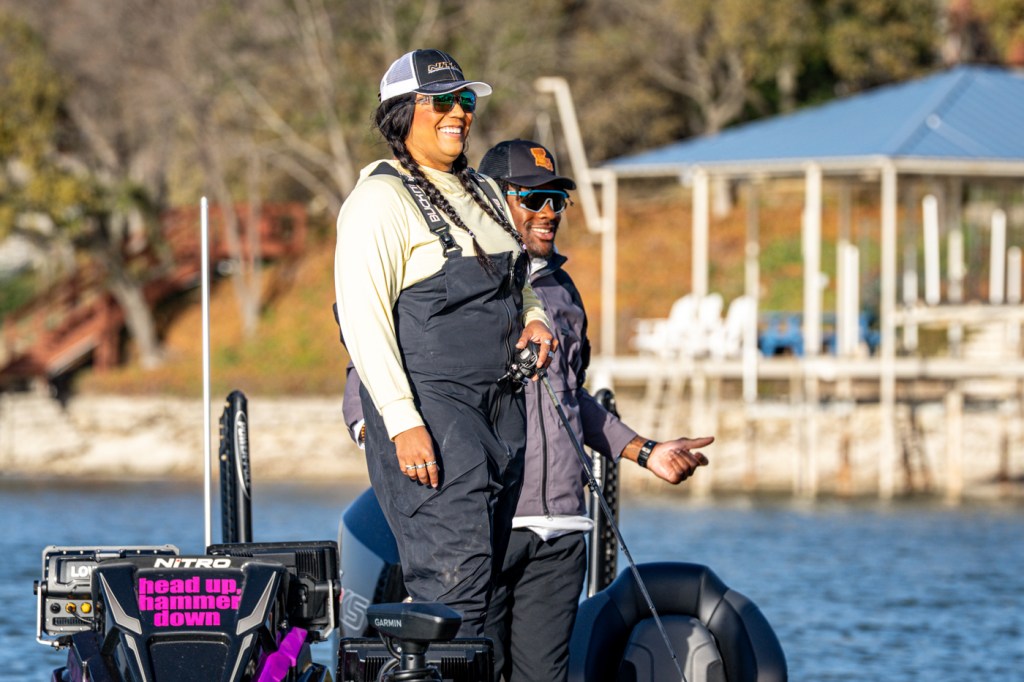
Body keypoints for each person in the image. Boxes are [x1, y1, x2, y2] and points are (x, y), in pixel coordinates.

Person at [344, 138, 712, 681]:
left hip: (560, 529)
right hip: (484, 522)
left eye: (556, 200)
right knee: (472, 665)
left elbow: (570, 399)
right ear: (491, 201)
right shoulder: (448, 281)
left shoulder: (561, 291)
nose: (548, 212)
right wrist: (400, 456)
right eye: (532, 198)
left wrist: (645, 451)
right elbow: (368, 379)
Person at [333, 50, 556, 638]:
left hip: (501, 415)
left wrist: (536, 319)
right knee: (454, 589)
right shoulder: (378, 202)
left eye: (466, 100)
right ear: (402, 113)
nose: (460, 113)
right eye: (442, 102)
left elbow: (520, 283)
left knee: (483, 585)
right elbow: (363, 321)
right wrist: (403, 422)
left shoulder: (483, 190)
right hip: (432, 419)